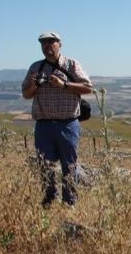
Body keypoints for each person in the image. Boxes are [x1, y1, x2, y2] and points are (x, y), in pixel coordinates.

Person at [22, 31, 93, 207]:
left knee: (69, 165)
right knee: (45, 165)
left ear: (59, 44)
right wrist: (34, 85)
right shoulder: (35, 67)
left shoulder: (71, 65)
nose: (47, 47)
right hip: (44, 125)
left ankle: (69, 202)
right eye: (43, 44)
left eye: (51, 43)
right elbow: (26, 94)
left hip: (67, 124)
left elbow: (87, 88)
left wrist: (64, 85)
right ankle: (49, 200)